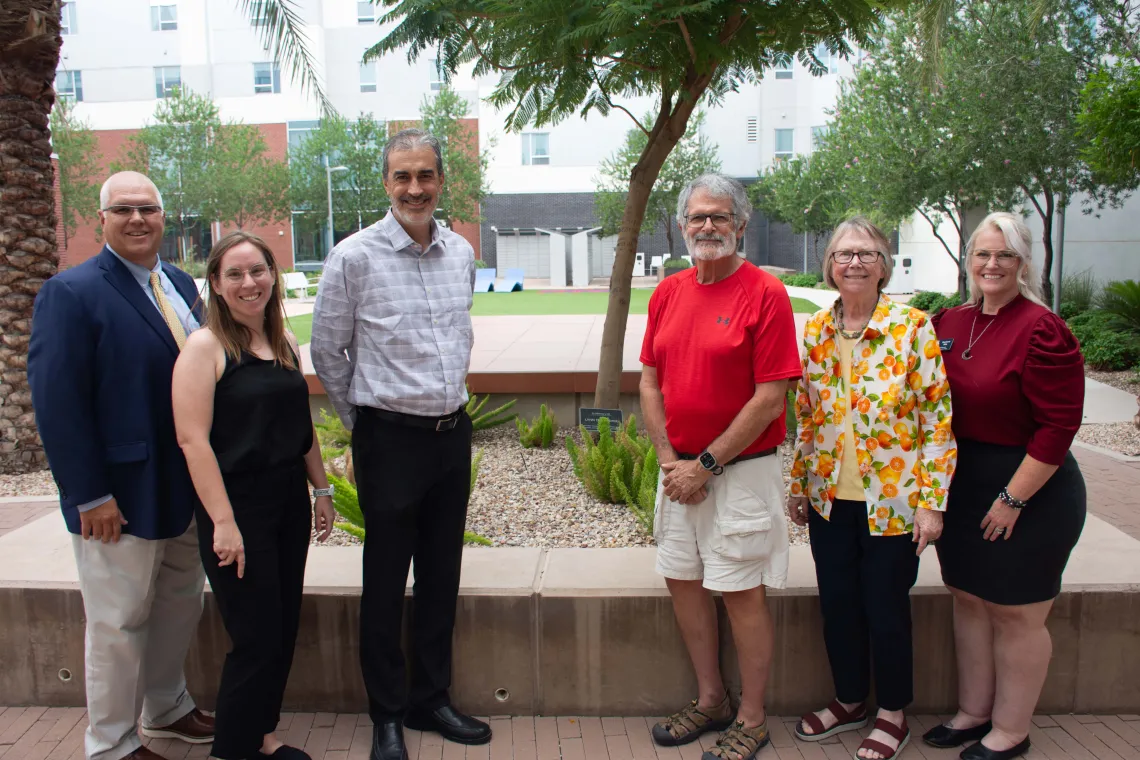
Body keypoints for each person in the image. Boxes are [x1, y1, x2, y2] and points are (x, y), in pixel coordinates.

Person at [309, 128, 487, 760]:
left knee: (442, 574)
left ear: (441, 182)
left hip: (450, 434)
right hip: (387, 437)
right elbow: (327, 352)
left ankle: (430, 699)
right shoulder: (353, 258)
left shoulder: (461, 252)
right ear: (386, 184)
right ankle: (386, 712)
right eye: (402, 177)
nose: (415, 188)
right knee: (385, 580)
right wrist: (365, 431)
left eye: (426, 176)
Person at [27, 171, 215, 760]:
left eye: (148, 208)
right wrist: (89, 496)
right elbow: (58, 403)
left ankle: (167, 706)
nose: (137, 219)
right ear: (101, 219)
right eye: (123, 209)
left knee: (179, 604)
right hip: (119, 496)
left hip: (184, 487)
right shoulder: (72, 292)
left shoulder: (181, 284)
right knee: (117, 621)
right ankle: (110, 742)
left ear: (164, 216)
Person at [640, 173, 801, 760]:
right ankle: (711, 700)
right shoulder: (668, 292)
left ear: (741, 226)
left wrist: (704, 464)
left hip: (738, 476)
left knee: (741, 592)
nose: (707, 226)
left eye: (719, 217)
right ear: (682, 225)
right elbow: (651, 380)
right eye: (697, 217)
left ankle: (752, 718)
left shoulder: (765, 294)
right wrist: (668, 460)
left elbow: (770, 398)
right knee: (683, 581)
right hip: (677, 474)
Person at [786, 217, 957, 760]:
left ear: (884, 266)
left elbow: (937, 421)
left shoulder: (912, 328)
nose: (854, 262)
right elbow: (806, 417)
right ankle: (850, 700)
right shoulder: (814, 331)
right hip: (830, 501)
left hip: (894, 504)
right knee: (837, 604)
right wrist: (798, 485)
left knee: (885, 607)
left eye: (866, 253)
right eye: (843, 253)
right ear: (829, 265)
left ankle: (892, 713)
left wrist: (933, 504)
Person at [922, 212, 1086, 760]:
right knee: (968, 600)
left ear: (1024, 263)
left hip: (1029, 492)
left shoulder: (1042, 328)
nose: (992, 265)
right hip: (962, 487)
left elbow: (1058, 427)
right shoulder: (949, 321)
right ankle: (973, 713)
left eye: (1005, 256)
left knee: (1016, 612)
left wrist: (1014, 499)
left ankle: (1011, 730)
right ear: (969, 261)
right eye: (983, 255)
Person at [171, 231, 337, 760]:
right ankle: (233, 748)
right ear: (216, 285)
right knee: (256, 635)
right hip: (236, 507)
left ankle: (262, 734)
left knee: (283, 625)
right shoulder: (206, 348)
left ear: (273, 276)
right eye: (235, 274)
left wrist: (321, 489)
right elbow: (192, 440)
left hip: (287, 501)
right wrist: (223, 522)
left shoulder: (282, 342)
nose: (250, 283)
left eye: (258, 271)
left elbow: (301, 424)